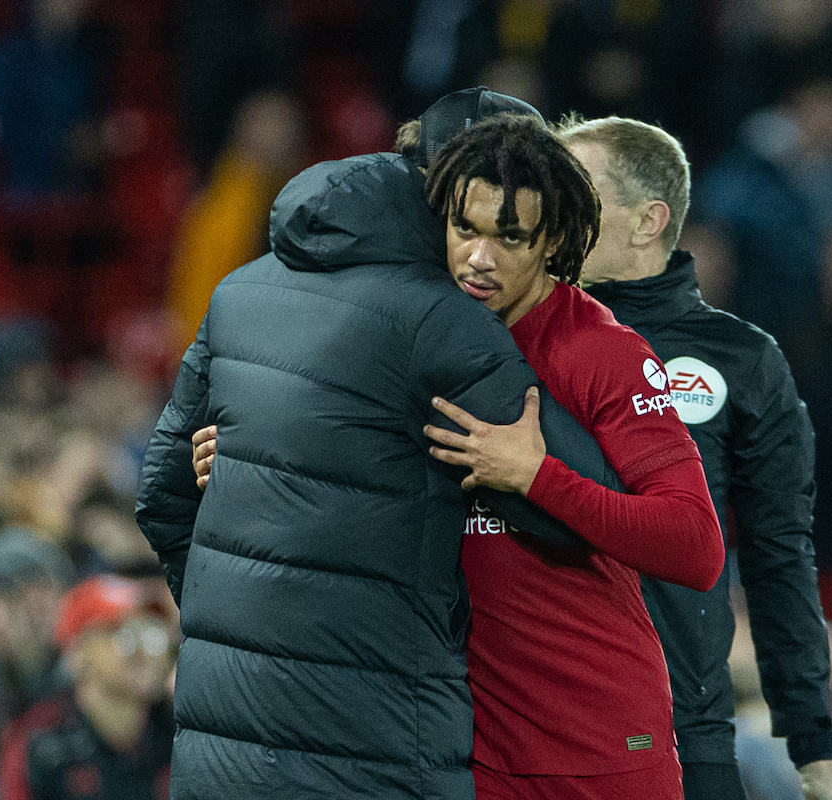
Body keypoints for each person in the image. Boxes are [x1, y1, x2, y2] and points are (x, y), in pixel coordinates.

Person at [135, 87, 624, 800]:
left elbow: (161, 497)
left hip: (219, 753)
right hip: (380, 751)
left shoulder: (240, 290)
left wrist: (239, 622)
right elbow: (590, 514)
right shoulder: (448, 323)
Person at [554, 114, 832, 800]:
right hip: (519, 726)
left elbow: (778, 554)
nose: (548, 209)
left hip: (678, 734)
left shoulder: (741, 360)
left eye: (572, 190)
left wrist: (814, 751)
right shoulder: (503, 340)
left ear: (647, 222)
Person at [418, 113, 724, 800]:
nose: (479, 259)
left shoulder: (604, 352)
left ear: (552, 240)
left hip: (603, 749)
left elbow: (695, 547)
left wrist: (536, 477)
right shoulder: (418, 343)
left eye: (511, 237)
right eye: (465, 229)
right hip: (480, 754)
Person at [0, 574, 175, 800]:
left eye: (152, 632)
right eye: (125, 635)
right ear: (78, 653)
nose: (144, 652)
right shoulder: (38, 743)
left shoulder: (179, 734)